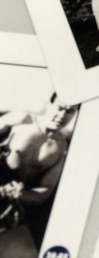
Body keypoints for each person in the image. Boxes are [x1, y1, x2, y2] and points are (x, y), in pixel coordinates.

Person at [0, 93, 79, 250]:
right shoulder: (21, 120)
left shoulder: (62, 148)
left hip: (11, 208)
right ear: (49, 104)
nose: (62, 115)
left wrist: (19, 194)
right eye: (60, 108)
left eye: (70, 111)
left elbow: (43, 193)